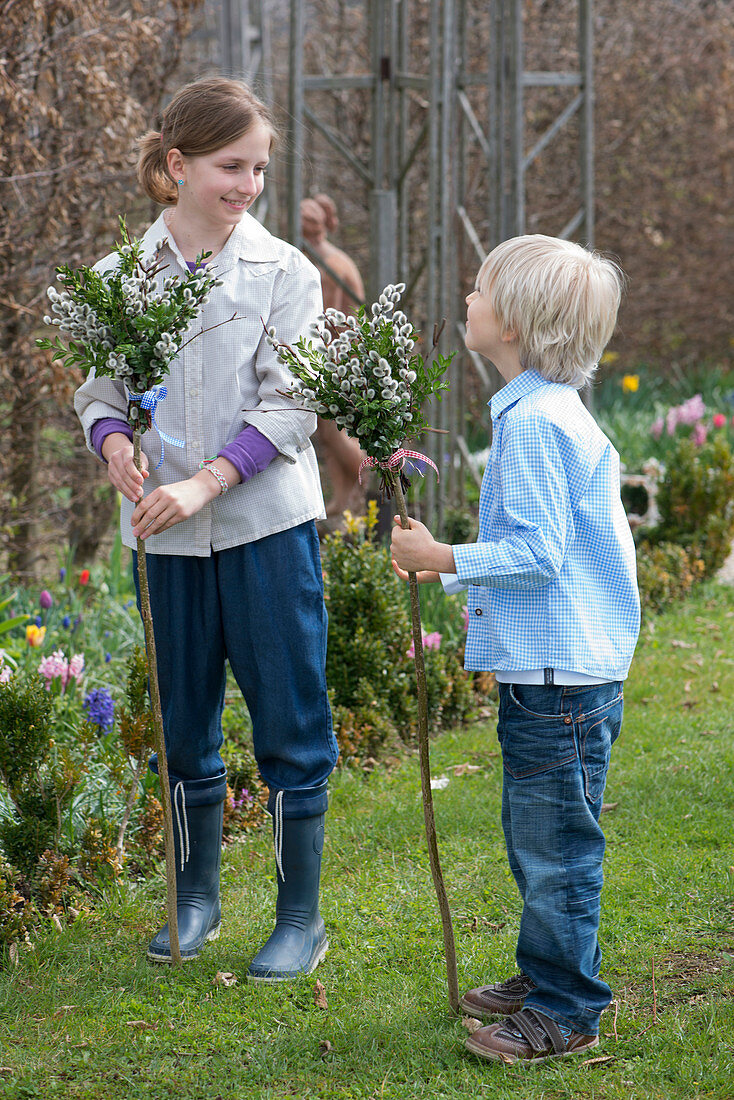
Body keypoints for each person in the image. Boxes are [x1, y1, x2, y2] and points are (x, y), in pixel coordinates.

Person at [74, 77, 338, 981]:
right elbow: (100, 393)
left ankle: (299, 919)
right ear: (177, 165)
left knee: (290, 721)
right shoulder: (119, 280)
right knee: (183, 721)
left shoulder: (285, 274)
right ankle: (196, 898)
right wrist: (112, 444)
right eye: (232, 166)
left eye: (260, 167)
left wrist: (208, 483)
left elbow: (294, 401)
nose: (249, 185)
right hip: (163, 540)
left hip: (265, 530)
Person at [391, 235, 640, 1064]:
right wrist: (456, 569)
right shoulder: (543, 413)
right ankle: (547, 971)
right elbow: (543, 547)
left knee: (554, 844)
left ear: (517, 322)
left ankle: (567, 1011)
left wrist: (444, 559)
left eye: (479, 289)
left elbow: (538, 554)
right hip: (567, 669)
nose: (467, 300)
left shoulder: (534, 425)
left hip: (557, 678)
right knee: (547, 830)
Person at [300, 194, 367, 521]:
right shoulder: (336, 258)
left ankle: (373, 476)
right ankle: (344, 500)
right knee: (331, 432)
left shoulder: (323, 265)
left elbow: (321, 318)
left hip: (336, 358)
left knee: (333, 432)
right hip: (344, 356)